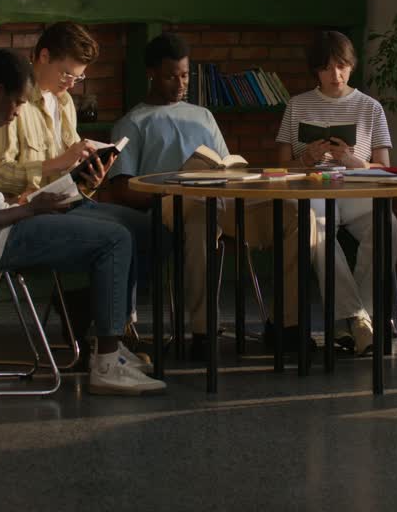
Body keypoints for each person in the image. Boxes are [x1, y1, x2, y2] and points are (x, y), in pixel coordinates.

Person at [0, 49, 165, 395]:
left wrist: (24, 203)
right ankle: (107, 363)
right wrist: (31, 210)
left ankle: (109, 349)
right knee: (116, 238)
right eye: (18, 103)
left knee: (116, 229)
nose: (18, 111)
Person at [107, 33, 318, 359]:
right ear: (151, 73)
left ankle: (287, 325)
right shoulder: (132, 123)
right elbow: (121, 189)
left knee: (295, 212)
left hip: (225, 197)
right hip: (175, 203)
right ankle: (204, 332)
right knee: (201, 211)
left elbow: (226, 165)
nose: (180, 83)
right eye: (170, 76)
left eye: (185, 75)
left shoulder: (203, 116)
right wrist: (174, 189)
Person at [0, 22, 155, 360]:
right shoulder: (12, 102)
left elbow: (70, 170)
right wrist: (59, 161)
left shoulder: (64, 104)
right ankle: (107, 338)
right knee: (118, 235)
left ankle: (93, 309)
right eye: (66, 74)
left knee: (149, 228)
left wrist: (91, 174)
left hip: (68, 201)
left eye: (77, 78)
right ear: (42, 57)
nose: (70, 84)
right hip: (30, 208)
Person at [275, 31, 396, 356]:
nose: (335, 75)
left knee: (388, 224)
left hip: (357, 186)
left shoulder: (370, 108)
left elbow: (385, 168)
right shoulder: (297, 105)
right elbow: (282, 166)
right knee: (316, 231)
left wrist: (353, 160)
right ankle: (358, 320)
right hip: (313, 187)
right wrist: (306, 159)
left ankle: (357, 317)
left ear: (351, 66)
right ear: (316, 71)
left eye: (341, 66)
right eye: (327, 68)